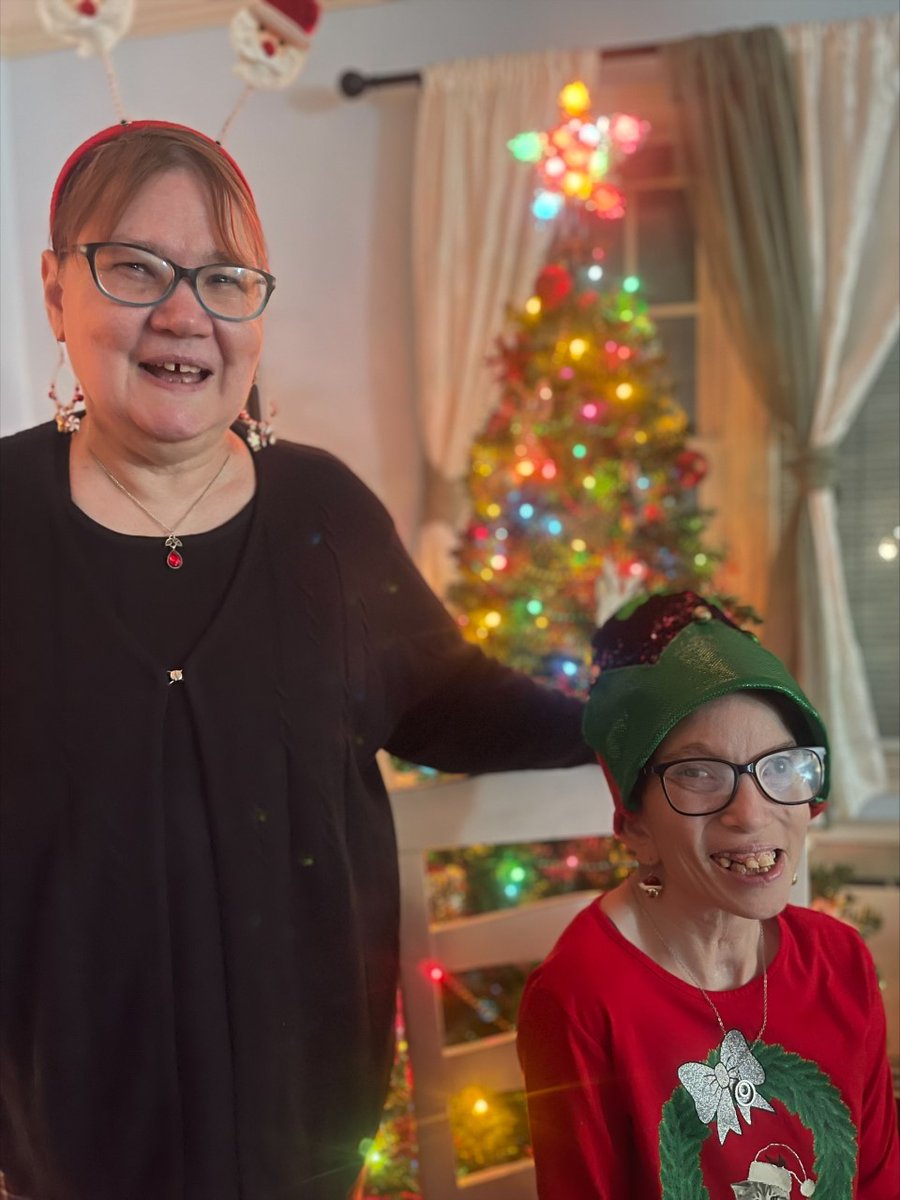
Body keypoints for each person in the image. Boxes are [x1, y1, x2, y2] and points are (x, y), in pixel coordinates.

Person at [0, 121, 594, 1200]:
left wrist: (641, 720)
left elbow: (449, 700)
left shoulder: (324, 512)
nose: (185, 314)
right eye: (135, 267)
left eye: (225, 279)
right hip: (61, 1146)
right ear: (55, 290)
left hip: (305, 1139)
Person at [517, 591, 900, 1199]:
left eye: (780, 766)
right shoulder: (581, 1000)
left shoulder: (843, 964)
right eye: (698, 773)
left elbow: (879, 1181)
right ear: (636, 826)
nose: (751, 816)